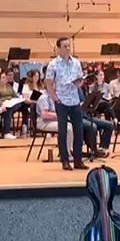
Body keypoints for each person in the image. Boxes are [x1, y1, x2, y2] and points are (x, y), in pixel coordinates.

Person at [45, 37, 87, 171]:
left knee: (79, 131)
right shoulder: (53, 64)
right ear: (59, 48)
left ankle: (78, 160)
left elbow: (80, 81)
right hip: (62, 101)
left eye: (69, 46)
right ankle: (65, 160)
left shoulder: (76, 63)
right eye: (65, 46)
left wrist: (79, 82)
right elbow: (49, 84)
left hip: (74, 100)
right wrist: (55, 99)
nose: (68, 48)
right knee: (62, 131)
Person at [36, 91, 73, 157]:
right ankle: (66, 154)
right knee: (67, 128)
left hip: (54, 121)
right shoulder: (44, 98)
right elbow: (44, 115)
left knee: (71, 126)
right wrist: (61, 115)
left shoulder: (55, 97)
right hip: (44, 123)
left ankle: (68, 150)